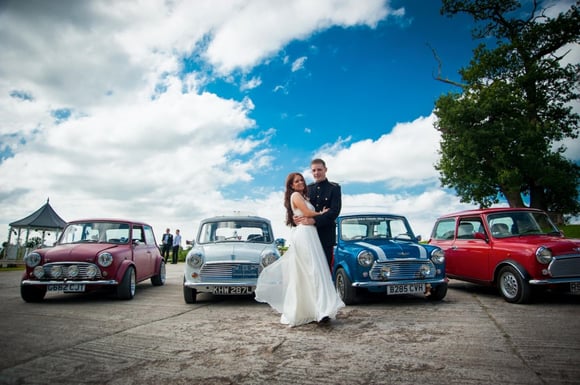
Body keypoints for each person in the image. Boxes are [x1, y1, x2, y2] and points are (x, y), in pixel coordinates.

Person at [254, 172, 345, 327]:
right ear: (291, 185)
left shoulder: (304, 196)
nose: (301, 182)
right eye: (296, 181)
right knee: (312, 270)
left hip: (310, 234)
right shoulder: (296, 195)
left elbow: (302, 213)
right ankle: (319, 310)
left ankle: (315, 309)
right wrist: (321, 213)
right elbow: (308, 213)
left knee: (313, 270)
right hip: (304, 234)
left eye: (301, 179)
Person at [295, 158, 341, 268]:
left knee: (324, 269)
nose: (316, 173)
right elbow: (300, 208)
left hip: (325, 237)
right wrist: (295, 218)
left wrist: (313, 220)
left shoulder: (334, 188)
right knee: (309, 269)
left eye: (319, 170)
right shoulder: (307, 189)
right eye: (314, 170)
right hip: (308, 235)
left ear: (325, 170)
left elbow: (334, 212)